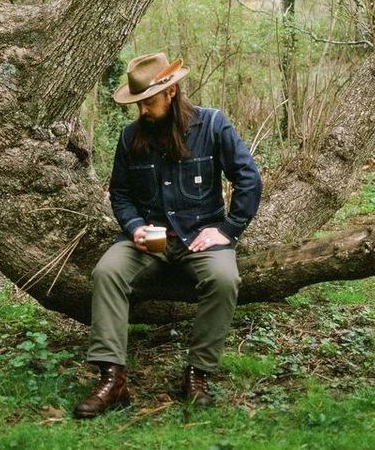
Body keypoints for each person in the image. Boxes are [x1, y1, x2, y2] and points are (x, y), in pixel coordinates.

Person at [73, 51, 262, 419]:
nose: (143, 110)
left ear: (171, 92)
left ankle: (197, 375)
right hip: (150, 240)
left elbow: (248, 179)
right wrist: (133, 227)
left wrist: (227, 230)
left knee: (225, 279)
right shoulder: (130, 137)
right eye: (138, 103)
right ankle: (113, 378)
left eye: (149, 101)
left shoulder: (212, 125)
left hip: (200, 236)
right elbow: (121, 194)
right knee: (106, 272)